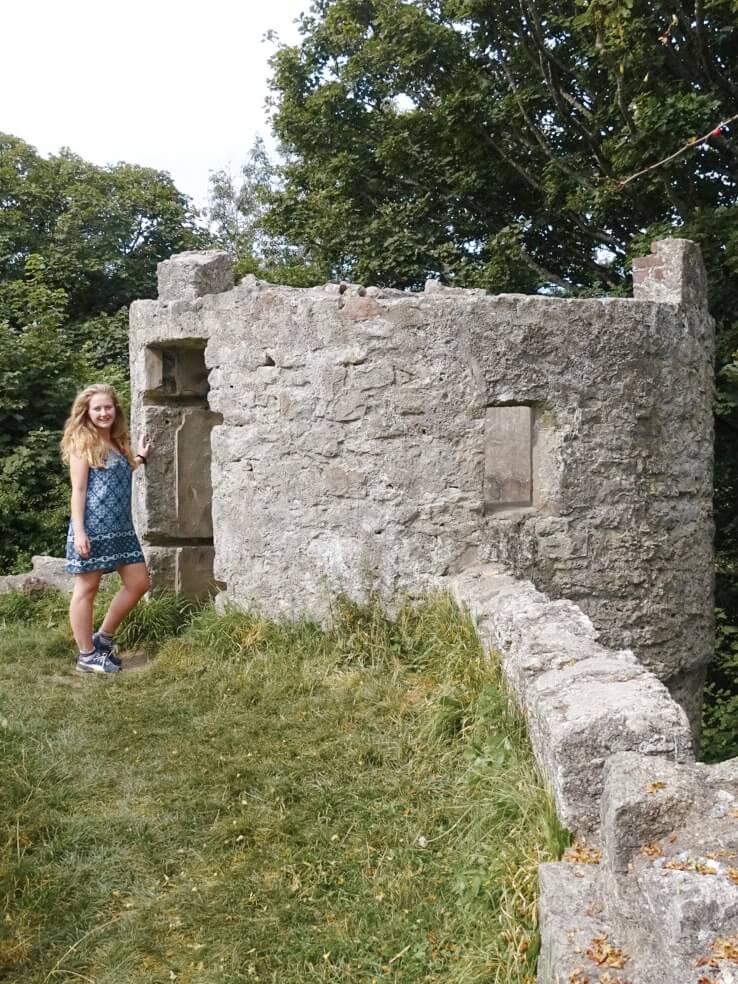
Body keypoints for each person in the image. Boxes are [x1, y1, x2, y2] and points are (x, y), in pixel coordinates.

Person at [60, 383, 152, 674]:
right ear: (86, 412)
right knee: (87, 588)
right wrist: (81, 531)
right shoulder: (82, 444)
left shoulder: (117, 441)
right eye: (97, 408)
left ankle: (103, 638)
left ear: (115, 410)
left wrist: (140, 458)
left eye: (108, 407)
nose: (103, 413)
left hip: (122, 528)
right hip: (92, 529)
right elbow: (78, 490)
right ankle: (87, 656)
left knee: (139, 584)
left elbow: (122, 470)